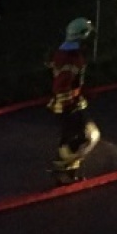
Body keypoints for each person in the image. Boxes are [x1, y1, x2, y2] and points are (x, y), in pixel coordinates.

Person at [47, 17, 101, 185]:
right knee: (86, 137)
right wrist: (69, 104)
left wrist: (84, 92)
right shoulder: (70, 57)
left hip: (72, 103)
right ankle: (61, 169)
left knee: (76, 137)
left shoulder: (67, 53)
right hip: (68, 105)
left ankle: (68, 173)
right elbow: (61, 85)